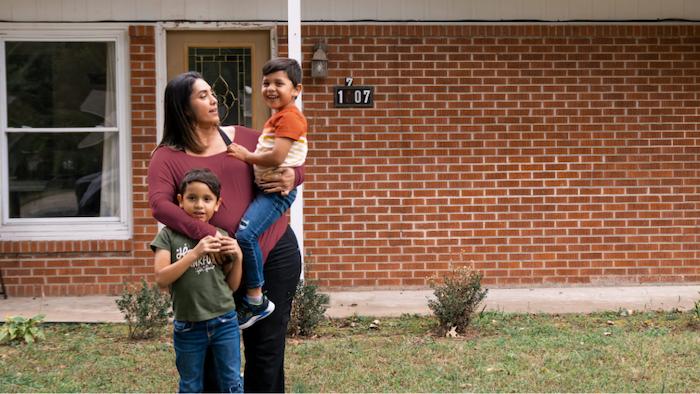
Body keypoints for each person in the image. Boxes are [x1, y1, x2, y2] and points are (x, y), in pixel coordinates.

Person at [148, 71, 303, 392]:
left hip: (273, 252)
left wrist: (293, 176)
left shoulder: (245, 138)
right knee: (214, 354)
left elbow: (289, 157)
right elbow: (161, 206)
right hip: (214, 267)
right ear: (183, 108)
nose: (214, 99)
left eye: (212, 93)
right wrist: (212, 236)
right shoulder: (166, 157)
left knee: (267, 350)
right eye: (202, 96)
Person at [226, 57, 308, 329]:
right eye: (265, 83)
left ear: (296, 89)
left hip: (275, 195)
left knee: (246, 235)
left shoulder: (291, 118)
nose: (270, 88)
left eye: (278, 83)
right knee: (247, 236)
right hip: (269, 191)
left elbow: (276, 157)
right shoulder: (279, 118)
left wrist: (245, 156)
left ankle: (255, 298)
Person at [151, 168, 243, 393]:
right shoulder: (168, 235)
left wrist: (238, 257)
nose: (199, 205)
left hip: (224, 322)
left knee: (232, 382)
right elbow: (161, 279)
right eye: (192, 198)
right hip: (188, 326)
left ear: (217, 204)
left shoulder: (220, 236)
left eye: (207, 199)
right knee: (190, 385)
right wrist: (195, 253)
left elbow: (231, 286)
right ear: (180, 201)